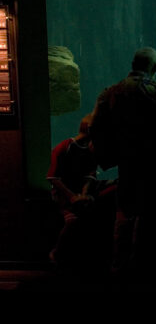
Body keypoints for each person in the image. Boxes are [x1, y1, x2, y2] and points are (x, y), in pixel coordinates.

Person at [89, 47, 156, 276]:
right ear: (155, 67)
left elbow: (96, 128)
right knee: (152, 213)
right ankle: (146, 265)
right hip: (155, 163)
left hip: (127, 162)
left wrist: (108, 157)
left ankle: (119, 265)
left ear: (133, 64)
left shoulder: (111, 92)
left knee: (125, 212)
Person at [47, 113, 115, 271]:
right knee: (72, 220)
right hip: (63, 195)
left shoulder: (92, 150)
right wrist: (72, 197)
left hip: (81, 192)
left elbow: (89, 174)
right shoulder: (64, 147)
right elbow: (53, 178)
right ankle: (57, 252)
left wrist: (84, 194)